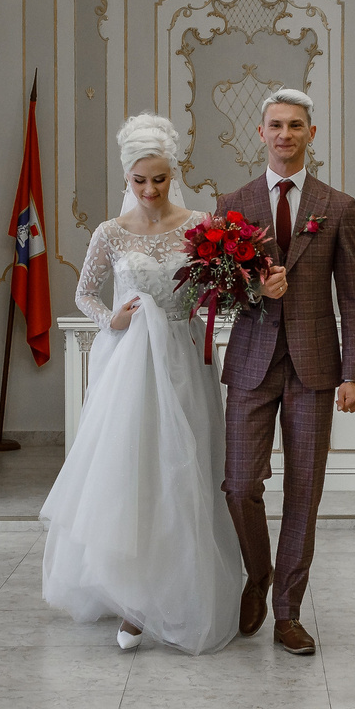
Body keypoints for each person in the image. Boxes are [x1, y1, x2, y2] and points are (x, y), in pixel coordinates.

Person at [40, 114, 246, 652]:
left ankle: (182, 588)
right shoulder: (110, 232)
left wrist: (212, 304)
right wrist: (110, 319)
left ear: (173, 173)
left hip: (185, 357)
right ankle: (132, 597)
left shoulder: (200, 225)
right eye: (139, 180)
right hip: (130, 361)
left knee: (186, 468)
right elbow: (84, 293)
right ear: (126, 177)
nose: (150, 190)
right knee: (135, 471)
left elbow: (217, 286)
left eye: (159, 178)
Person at [214, 88, 355, 656]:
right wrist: (254, 288)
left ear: (311, 133)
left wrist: (353, 373)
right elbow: (216, 294)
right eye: (275, 125)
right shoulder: (233, 203)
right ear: (261, 133)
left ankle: (287, 612)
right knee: (239, 486)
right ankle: (259, 575)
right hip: (251, 364)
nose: (285, 134)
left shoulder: (337, 205)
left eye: (295, 125)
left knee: (305, 490)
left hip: (315, 367)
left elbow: (353, 297)